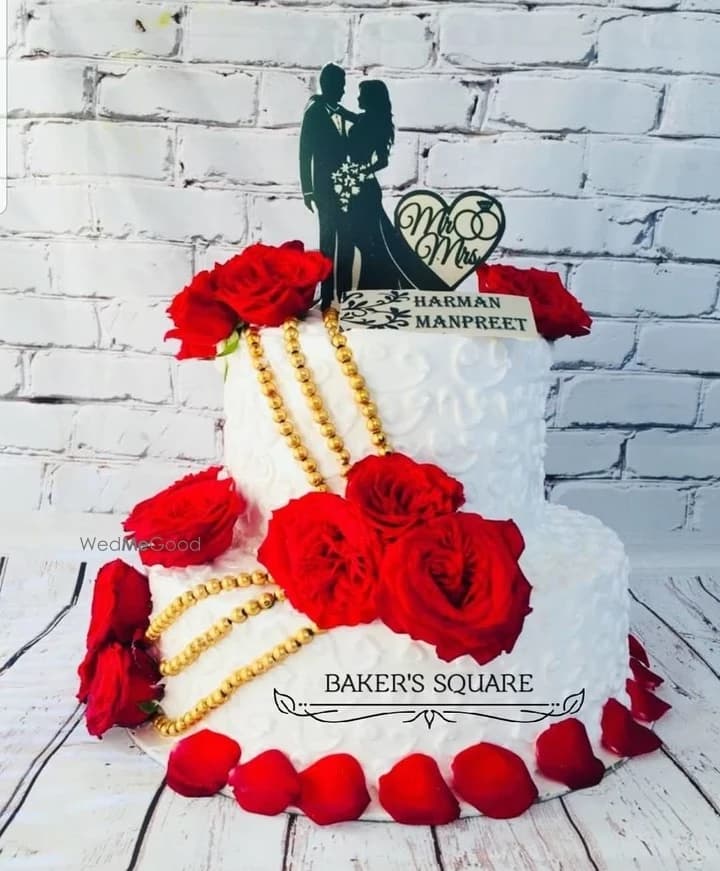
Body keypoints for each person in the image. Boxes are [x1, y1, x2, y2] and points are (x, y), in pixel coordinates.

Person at [345, 80, 451, 292]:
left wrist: (360, 172)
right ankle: (375, 286)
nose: (357, 98)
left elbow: (382, 161)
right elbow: (348, 116)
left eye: (361, 94)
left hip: (364, 188)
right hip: (356, 186)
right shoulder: (365, 119)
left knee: (371, 240)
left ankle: (374, 287)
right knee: (369, 240)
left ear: (371, 98)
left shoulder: (375, 123)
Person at [299, 64, 355, 307]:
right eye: (340, 86)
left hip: (346, 188)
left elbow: (359, 121)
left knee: (347, 239)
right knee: (328, 242)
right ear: (329, 86)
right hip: (324, 189)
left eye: (343, 86)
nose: (343, 91)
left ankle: (345, 294)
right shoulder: (314, 113)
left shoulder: (341, 111)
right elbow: (305, 154)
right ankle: (327, 296)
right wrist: (308, 190)